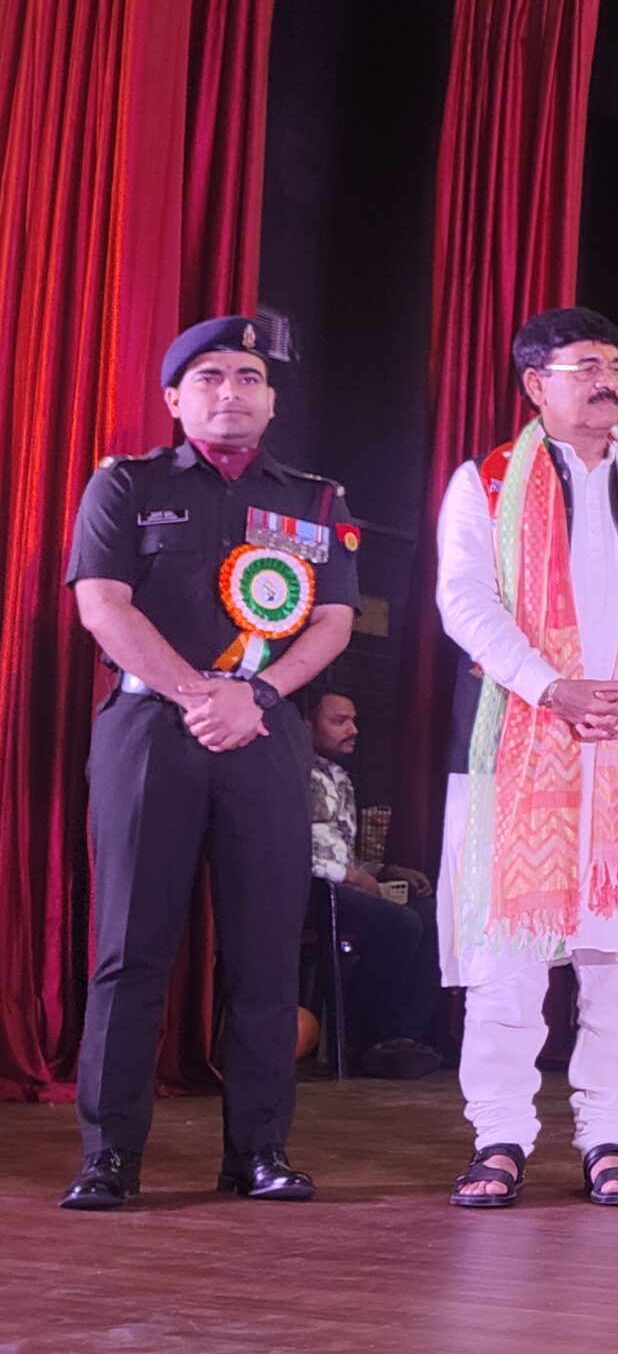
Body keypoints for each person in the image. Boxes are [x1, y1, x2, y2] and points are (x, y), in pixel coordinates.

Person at [60, 315, 358, 1210]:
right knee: (131, 951)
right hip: (150, 730)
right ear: (173, 399)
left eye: (249, 378)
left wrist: (255, 697)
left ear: (272, 400)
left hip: (265, 737)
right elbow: (102, 605)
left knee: (265, 956)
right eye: (210, 378)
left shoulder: (316, 501)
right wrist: (202, 694)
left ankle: (259, 1152)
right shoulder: (126, 484)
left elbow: (333, 621)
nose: (232, 392)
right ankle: (110, 1157)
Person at [434, 307, 618, 1210]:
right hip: (520, 744)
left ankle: (608, 1134)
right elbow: (464, 600)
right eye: (585, 366)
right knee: (507, 961)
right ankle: (499, 1137)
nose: (606, 380)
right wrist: (548, 686)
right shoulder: (484, 483)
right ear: (535, 384)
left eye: (616, 365)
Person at [305, 689, 443, 1079]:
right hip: (304, 887)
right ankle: (368, 1038)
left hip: (341, 884)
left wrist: (386, 870)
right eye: (339, 721)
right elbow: (288, 845)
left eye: (353, 720)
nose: (353, 729)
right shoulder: (292, 771)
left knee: (431, 916)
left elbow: (342, 854)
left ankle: (405, 1036)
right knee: (399, 924)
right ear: (308, 724)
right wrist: (348, 876)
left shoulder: (340, 778)